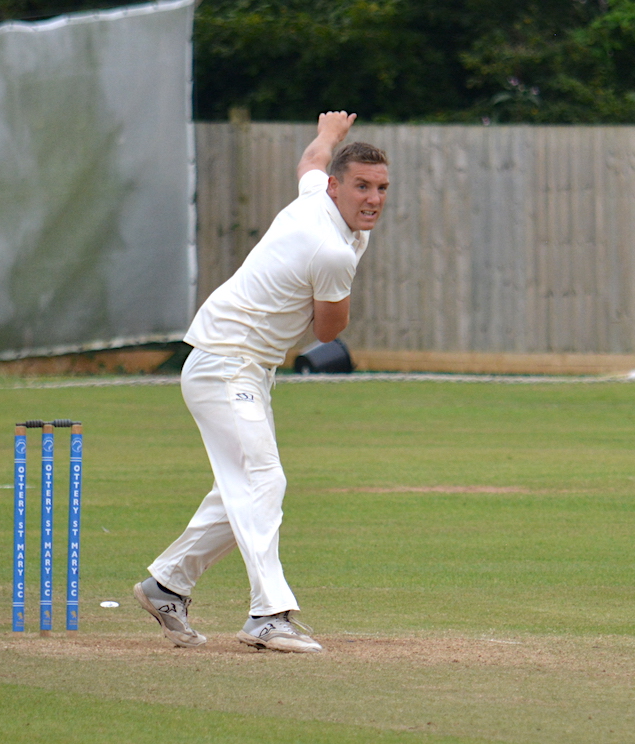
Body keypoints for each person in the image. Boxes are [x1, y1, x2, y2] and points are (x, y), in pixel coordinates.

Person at [134, 111, 389, 653]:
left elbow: (311, 159)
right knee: (263, 482)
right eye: (362, 187)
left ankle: (167, 584)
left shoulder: (313, 194)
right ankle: (267, 615)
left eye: (382, 188)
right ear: (336, 189)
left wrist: (330, 135)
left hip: (241, 364)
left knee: (242, 488)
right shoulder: (331, 248)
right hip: (228, 360)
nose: (373, 198)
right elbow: (327, 330)